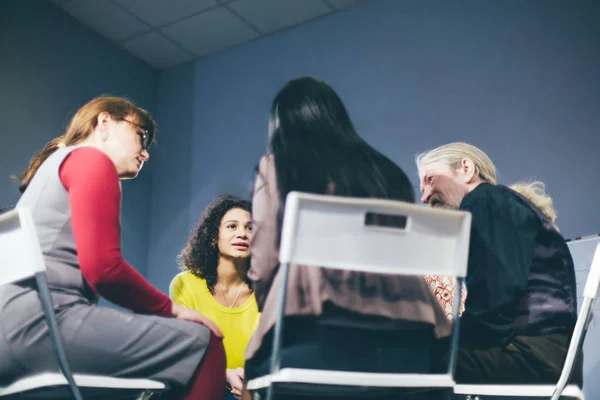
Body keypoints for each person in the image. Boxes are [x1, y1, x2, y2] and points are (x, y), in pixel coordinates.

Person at [0, 96, 226, 400]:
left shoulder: (51, 169)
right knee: (205, 341)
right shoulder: (91, 159)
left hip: (9, 335)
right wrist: (170, 309)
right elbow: (104, 270)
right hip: (41, 329)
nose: (145, 152)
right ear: (104, 122)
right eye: (140, 135)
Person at [243, 77, 451, 400]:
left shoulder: (278, 167)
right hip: (412, 349)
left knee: (253, 367)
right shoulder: (388, 174)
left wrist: (270, 303)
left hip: (313, 343)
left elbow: (265, 263)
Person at [416, 142, 581, 385]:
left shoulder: (485, 200)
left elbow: (493, 304)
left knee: (404, 360)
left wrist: (444, 338)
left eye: (430, 179)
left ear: (465, 168)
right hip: (549, 356)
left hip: (530, 354)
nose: (424, 196)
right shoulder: (504, 206)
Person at [171, 194, 260, 400]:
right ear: (213, 236)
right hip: (200, 385)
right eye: (232, 226)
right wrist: (224, 375)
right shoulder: (185, 284)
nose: (242, 234)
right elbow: (182, 353)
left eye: (250, 228)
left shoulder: (268, 291)